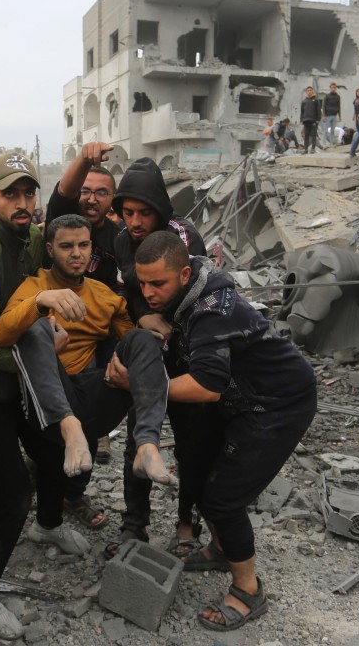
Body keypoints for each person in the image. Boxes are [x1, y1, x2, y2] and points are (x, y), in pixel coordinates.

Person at [117, 231, 316, 631]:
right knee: (197, 472)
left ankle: (248, 590)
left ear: (184, 274)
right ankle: (224, 549)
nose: (149, 293)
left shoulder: (212, 310)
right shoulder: (183, 297)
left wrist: (142, 385)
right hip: (240, 398)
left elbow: (207, 385)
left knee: (224, 498)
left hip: (278, 404)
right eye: (143, 283)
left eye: (158, 284)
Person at [0, 153, 84, 640]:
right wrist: (39, 357)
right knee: (10, 493)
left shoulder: (32, 239)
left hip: (19, 376)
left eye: (28, 193)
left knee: (53, 451)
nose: (22, 203)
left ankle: (48, 524)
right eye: (10, 194)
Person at [0, 214, 173, 529]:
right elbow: (0, 335)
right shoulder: (35, 286)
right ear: (50, 249)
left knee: (143, 339)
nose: (77, 253)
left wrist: (143, 324)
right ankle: (69, 428)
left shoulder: (104, 296)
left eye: (83, 245)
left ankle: (146, 443)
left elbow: (134, 348)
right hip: (46, 403)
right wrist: (41, 301)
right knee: (36, 329)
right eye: (66, 246)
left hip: (88, 394)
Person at [111, 156, 208, 559]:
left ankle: (187, 523)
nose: (135, 222)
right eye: (128, 212)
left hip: (187, 349)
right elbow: (130, 294)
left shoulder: (183, 237)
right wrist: (142, 317)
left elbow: (202, 293)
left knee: (192, 440)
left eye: (144, 212)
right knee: (139, 437)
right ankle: (135, 523)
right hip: (150, 350)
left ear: (160, 210)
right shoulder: (121, 242)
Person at [44, 141, 121, 470]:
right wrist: (84, 159)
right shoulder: (64, 221)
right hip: (57, 324)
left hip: (98, 326)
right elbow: (64, 191)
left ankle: (97, 432)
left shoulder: (118, 237)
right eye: (86, 191)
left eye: (101, 192)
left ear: (112, 198)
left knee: (103, 381)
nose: (92, 199)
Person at [300, 87, 321, 154]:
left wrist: (318, 119)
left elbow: (318, 110)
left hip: (313, 121)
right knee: (306, 135)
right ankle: (305, 149)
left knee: (313, 135)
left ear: (312, 91)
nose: (309, 91)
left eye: (310, 90)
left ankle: (313, 149)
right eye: (308, 90)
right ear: (306, 92)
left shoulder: (316, 100)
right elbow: (302, 111)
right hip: (306, 120)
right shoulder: (304, 101)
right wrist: (301, 119)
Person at [322, 83, 341, 148]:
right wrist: (323, 115)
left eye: (334, 87)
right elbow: (323, 106)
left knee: (332, 131)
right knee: (325, 130)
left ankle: (331, 143)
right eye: (332, 87)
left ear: (336, 88)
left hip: (334, 115)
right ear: (330, 88)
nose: (333, 89)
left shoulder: (338, 96)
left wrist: (339, 116)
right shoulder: (327, 96)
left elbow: (339, 106)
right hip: (327, 115)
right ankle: (324, 144)